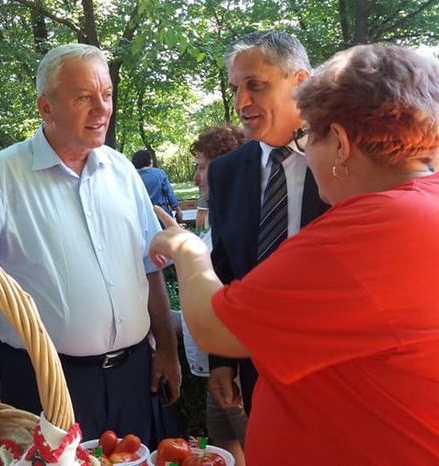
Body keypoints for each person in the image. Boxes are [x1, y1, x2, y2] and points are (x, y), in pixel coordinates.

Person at [149, 43, 439, 464]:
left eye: (310, 135)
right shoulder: (420, 202)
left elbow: (216, 327)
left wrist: (187, 247)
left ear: (338, 142)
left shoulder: (366, 233)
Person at [0, 43, 180, 443]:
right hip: (44, 382)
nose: (102, 109)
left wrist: (166, 348)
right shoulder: (0, 177)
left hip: (134, 375)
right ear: (46, 107)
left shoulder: (121, 171)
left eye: (107, 94)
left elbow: (150, 268)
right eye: (84, 98)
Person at [207, 30, 329, 416]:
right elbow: (224, 270)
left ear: (301, 83)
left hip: (337, 367)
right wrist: (222, 359)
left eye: (255, 86)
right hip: (258, 370)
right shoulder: (225, 172)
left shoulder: (348, 162)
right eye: (235, 88)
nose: (241, 102)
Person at [187, 125, 248, 464]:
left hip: (239, 367)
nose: (197, 177)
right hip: (219, 364)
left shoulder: (243, 224)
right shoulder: (218, 219)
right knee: (224, 446)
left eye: (202, 166)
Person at [132, 149, 182, 222]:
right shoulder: (159, 173)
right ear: (150, 161)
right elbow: (169, 193)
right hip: (161, 213)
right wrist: (177, 209)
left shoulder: (132, 176)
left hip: (142, 215)